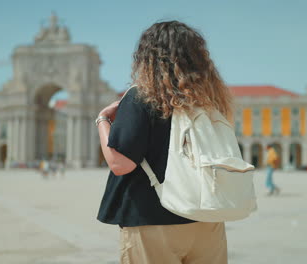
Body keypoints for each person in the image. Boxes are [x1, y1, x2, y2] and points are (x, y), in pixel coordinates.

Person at [96, 21, 231, 263]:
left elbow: (120, 164)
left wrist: (103, 120)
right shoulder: (209, 102)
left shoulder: (141, 97)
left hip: (152, 221)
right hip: (206, 219)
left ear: (147, 57)